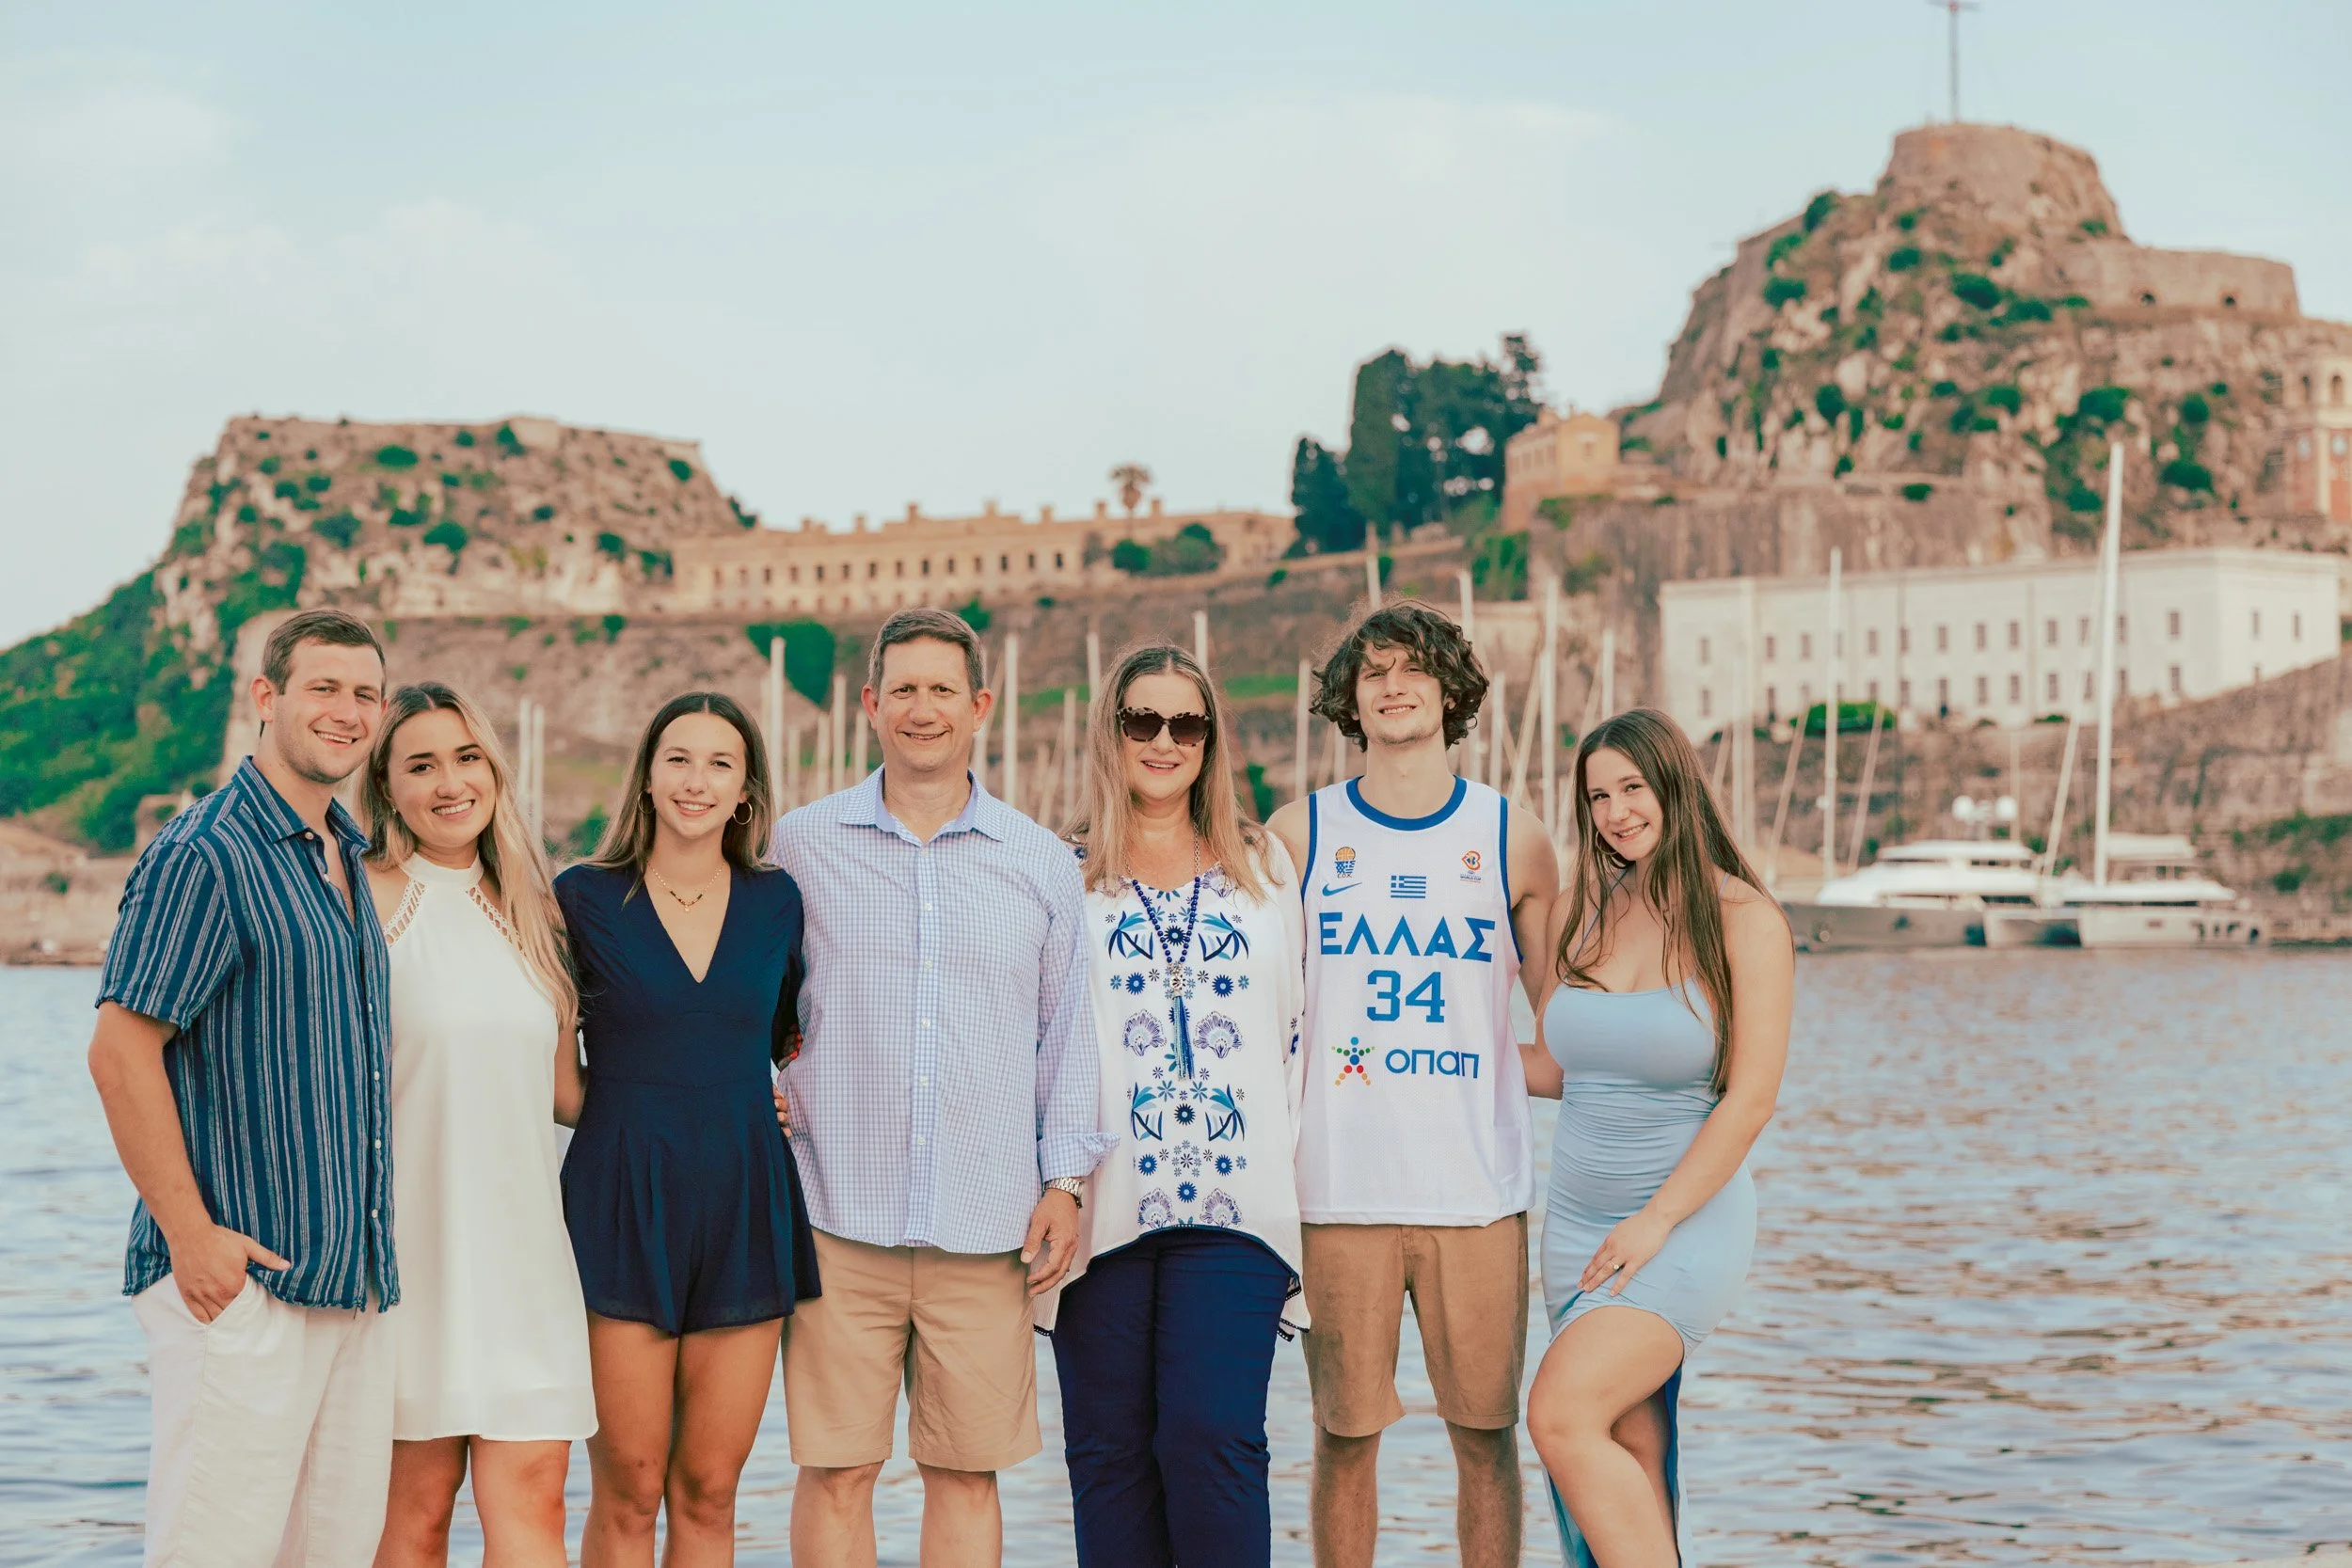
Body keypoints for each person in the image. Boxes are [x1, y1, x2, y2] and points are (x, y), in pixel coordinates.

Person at [771, 606, 1108, 1568]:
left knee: (966, 1474)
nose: (923, 709)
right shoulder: (801, 843)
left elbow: (1065, 1040)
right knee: (835, 1471)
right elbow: (750, 987)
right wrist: (761, 1084)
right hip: (835, 1219)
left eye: (943, 691)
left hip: (986, 1227)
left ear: (981, 705)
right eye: (904, 689)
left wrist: (1064, 1182)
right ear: (871, 704)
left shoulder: (1039, 859)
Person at [85, 607, 398, 1566]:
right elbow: (120, 1049)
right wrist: (193, 1239)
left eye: (365, 694)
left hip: (348, 1292)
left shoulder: (346, 856)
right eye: (324, 687)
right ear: (266, 697)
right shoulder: (206, 852)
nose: (346, 712)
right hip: (243, 1292)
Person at [1265, 601, 1559, 1568]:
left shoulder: (1514, 835)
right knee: (1345, 1435)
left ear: (1450, 690)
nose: (1393, 685)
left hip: (1475, 1194)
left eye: (1413, 669)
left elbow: (1564, 1034)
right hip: (1336, 1189)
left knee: (1485, 1434)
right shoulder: (1296, 833)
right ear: (1349, 698)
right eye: (1373, 672)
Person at [1044, 643, 1309, 1568]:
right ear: (1110, 732)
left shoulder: (1268, 872)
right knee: (1109, 1457)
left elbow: (1301, 1029)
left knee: (1213, 1439)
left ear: (1210, 740)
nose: (1163, 740)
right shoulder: (1060, 874)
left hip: (1239, 1207)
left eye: (1185, 723)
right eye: (1141, 720)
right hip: (1097, 1205)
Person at [1521, 708, 1790, 1567]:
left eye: (1632, 787)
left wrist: (1655, 1222)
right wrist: (1418, 1053)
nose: (1615, 811)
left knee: (1559, 1413)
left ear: (1674, 784)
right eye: (1598, 795)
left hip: (1680, 1223)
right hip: (1576, 1229)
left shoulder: (1746, 918)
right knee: (1629, 1456)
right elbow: (1562, 1065)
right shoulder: (1580, 911)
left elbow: (1748, 1102)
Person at [556, 691, 818, 1567]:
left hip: (744, 1205)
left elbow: (783, 1040)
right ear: (648, 774)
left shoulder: (779, 902)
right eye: (678, 758)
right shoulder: (582, 898)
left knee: (710, 1491)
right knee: (628, 1492)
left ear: (746, 789)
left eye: (719, 763)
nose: (696, 780)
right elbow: (558, 1081)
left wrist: (760, 1100)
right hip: (619, 1202)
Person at [358, 683, 596, 1568]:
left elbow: (567, 1095)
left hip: (527, 1261)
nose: (449, 782)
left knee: (534, 1506)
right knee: (413, 1516)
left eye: (466, 758)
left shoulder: (535, 911)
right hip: (407, 1265)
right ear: (388, 787)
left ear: (494, 771)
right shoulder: (363, 903)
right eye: (421, 764)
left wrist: (726, 1091)